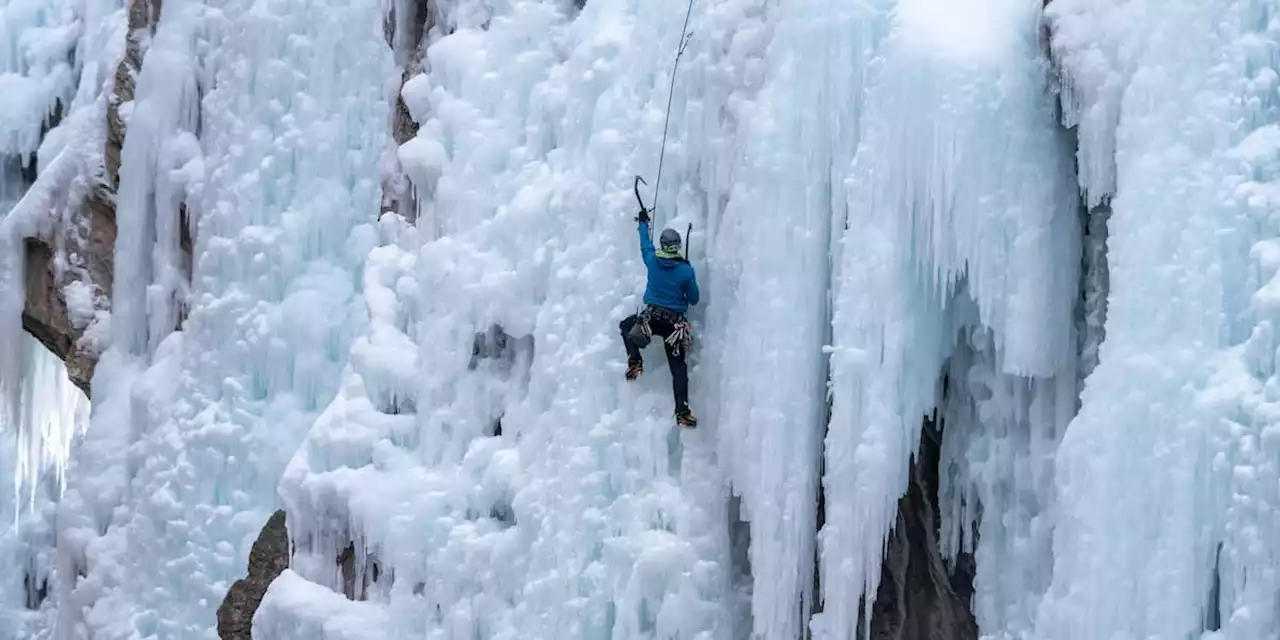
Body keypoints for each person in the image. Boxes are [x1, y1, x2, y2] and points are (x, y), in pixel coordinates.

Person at [619, 206, 700, 427]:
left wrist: (643, 222)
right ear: (678, 247)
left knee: (626, 326)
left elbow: (645, 244)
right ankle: (682, 411)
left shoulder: (653, 261)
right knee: (678, 369)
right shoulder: (685, 271)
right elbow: (694, 299)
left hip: (651, 320)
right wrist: (687, 276)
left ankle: (635, 360)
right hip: (673, 326)